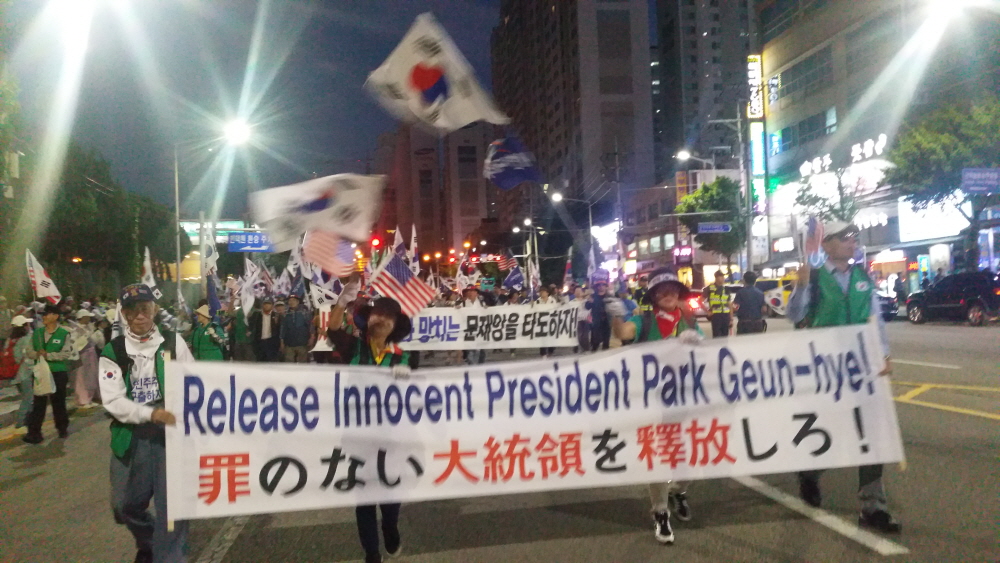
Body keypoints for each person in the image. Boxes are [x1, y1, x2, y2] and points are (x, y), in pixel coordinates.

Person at [786, 220, 900, 534]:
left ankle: (873, 507)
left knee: (872, 434)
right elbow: (795, 315)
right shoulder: (814, 277)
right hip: (825, 367)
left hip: (862, 365)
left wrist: (884, 354)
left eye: (855, 237)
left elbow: (875, 319)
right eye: (845, 237)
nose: (853, 242)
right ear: (827, 244)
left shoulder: (863, 276)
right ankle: (809, 472)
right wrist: (801, 285)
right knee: (830, 432)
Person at [608, 267, 702, 545]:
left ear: (679, 293)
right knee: (659, 457)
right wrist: (615, 314)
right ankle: (660, 511)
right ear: (653, 296)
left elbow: (705, 352)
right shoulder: (644, 320)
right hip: (652, 403)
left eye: (672, 289)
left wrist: (699, 343)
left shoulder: (688, 319)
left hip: (685, 398)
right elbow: (623, 332)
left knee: (691, 455)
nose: (667, 294)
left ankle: (678, 491)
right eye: (661, 291)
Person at [99, 283, 188, 563]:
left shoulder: (173, 342)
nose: (140, 316)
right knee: (125, 505)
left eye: (145, 309)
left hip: (169, 433)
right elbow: (113, 401)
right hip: (131, 434)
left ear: (155, 309)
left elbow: (192, 381)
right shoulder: (113, 351)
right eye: (132, 310)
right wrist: (151, 414)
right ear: (124, 314)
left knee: (172, 505)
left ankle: (169, 556)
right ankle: (149, 541)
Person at [327, 288, 410, 563]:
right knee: (364, 500)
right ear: (368, 318)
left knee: (390, 494)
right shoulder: (354, 347)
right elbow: (333, 330)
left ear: (395, 325)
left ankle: (390, 528)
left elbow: (415, 398)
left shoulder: (403, 357)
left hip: (391, 438)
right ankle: (371, 554)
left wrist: (407, 380)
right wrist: (342, 301)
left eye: (388, 317)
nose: (381, 319)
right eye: (378, 314)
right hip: (357, 438)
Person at [24, 303, 78, 444]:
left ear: (55, 316)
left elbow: (66, 353)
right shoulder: (37, 333)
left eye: (46, 314)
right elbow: (28, 351)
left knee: (58, 402)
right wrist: (37, 354)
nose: (44, 317)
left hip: (57, 372)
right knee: (39, 403)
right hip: (40, 372)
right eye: (43, 315)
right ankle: (34, 433)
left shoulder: (64, 333)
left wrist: (48, 355)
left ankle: (62, 428)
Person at [71, 308, 104, 407]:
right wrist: (83, 338)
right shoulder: (76, 329)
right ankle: (83, 398)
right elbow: (74, 343)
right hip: (82, 355)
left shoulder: (89, 327)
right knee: (82, 377)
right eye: (87, 317)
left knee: (92, 375)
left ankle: (92, 396)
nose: (89, 319)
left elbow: (94, 342)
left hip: (91, 354)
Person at [10, 316, 36, 432]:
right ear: (24, 327)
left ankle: (29, 421)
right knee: (28, 398)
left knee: (27, 397)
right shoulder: (26, 340)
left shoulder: (10, 340)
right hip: (24, 373)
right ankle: (20, 424)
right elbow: (29, 358)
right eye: (27, 324)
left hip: (14, 374)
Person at [279, 294, 312, 363]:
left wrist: (312, 338)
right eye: (290, 300)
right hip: (289, 344)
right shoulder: (285, 314)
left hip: (302, 343)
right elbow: (283, 328)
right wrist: (282, 342)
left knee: (303, 363)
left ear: (298, 302)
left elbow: (310, 325)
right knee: (288, 364)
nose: (291, 302)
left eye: (293, 300)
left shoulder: (304, 312)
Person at [249, 297, 281, 362]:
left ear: (272, 305)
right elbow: (251, 325)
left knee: (272, 362)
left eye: (268, 304)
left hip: (272, 343)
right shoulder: (256, 315)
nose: (266, 305)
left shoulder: (277, 316)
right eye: (265, 304)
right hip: (259, 342)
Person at [460, 286, 486, 365]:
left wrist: (487, 309)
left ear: (476, 293)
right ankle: (471, 367)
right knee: (470, 351)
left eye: (473, 291)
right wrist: (456, 309)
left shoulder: (481, 303)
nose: (471, 293)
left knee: (480, 350)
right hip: (468, 330)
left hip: (479, 330)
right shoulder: (463, 304)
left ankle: (479, 367)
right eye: (469, 291)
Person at [703, 270, 732, 338]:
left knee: (725, 336)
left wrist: (731, 319)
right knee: (717, 336)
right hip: (716, 316)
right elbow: (699, 301)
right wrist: (707, 311)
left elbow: (729, 304)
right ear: (716, 278)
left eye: (723, 277)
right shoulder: (710, 288)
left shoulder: (726, 289)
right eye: (721, 277)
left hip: (725, 315)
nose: (723, 278)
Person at [585, 279, 612, 352]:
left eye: (603, 285)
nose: (601, 287)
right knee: (595, 337)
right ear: (597, 287)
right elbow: (587, 307)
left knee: (606, 337)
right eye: (599, 285)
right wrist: (590, 302)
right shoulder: (593, 296)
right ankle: (594, 348)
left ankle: (605, 349)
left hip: (607, 319)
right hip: (597, 320)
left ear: (605, 287)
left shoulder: (609, 296)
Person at [536, 286, 557, 357]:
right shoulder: (538, 301)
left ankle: (551, 350)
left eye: (543, 292)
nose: (542, 293)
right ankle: (543, 352)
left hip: (551, 320)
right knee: (543, 337)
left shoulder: (552, 300)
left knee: (551, 336)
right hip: (541, 321)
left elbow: (555, 309)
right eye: (540, 292)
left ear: (547, 293)